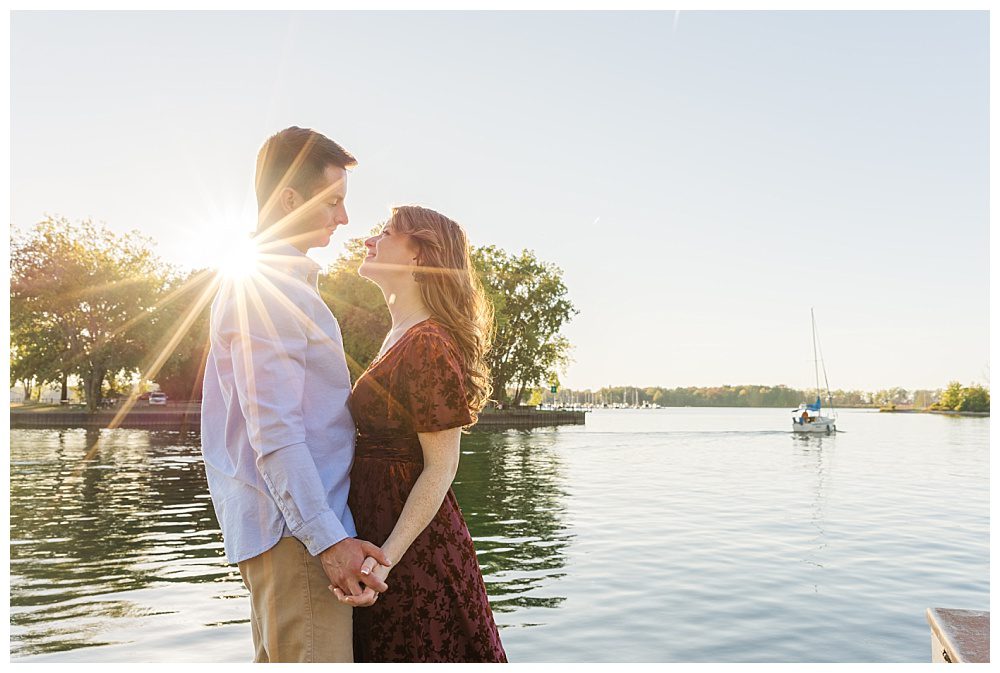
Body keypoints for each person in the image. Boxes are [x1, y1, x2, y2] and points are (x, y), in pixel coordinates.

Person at [200, 127, 390, 663]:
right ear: (289, 199)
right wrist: (328, 543)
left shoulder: (273, 281)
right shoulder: (270, 287)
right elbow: (276, 432)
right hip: (299, 540)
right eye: (333, 201)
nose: (343, 217)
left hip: (289, 534)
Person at [332, 205, 507, 663]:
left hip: (410, 549)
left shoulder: (428, 341)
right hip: (376, 525)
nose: (368, 241)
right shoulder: (400, 334)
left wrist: (384, 559)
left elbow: (441, 466)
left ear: (417, 256)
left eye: (384, 234)